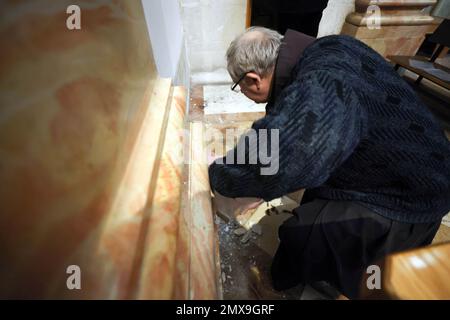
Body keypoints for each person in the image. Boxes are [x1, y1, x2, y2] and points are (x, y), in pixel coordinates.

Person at [208, 27, 450, 299]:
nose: (243, 93)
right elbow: (293, 130)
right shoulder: (331, 46)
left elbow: (290, 155)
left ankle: (316, 283)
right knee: (313, 192)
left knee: (300, 235)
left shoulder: (322, 81)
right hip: (423, 166)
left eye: (239, 88)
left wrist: (222, 176)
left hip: (410, 197)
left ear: (254, 80)